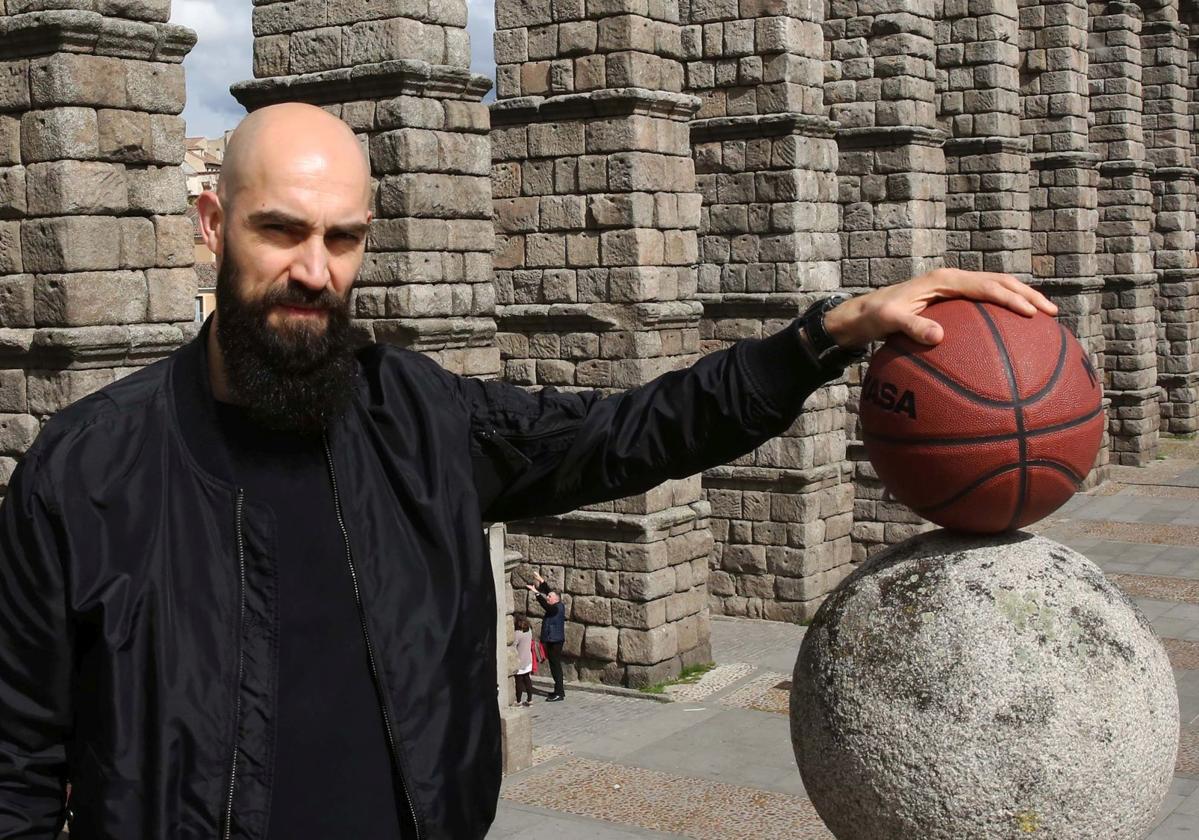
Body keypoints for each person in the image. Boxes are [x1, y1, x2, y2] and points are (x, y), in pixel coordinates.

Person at [0, 101, 1058, 840]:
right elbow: (18, 771)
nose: (313, 271)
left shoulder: (421, 417)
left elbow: (637, 431)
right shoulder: (84, 473)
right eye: (281, 231)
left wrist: (820, 336)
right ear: (210, 222)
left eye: (343, 239)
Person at [526, 572, 566, 701]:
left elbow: (545, 605)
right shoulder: (558, 604)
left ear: (555, 600)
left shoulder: (555, 609)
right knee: (554, 666)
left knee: (555, 667)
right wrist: (541, 581)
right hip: (553, 640)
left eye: (549, 597)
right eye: (548, 596)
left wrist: (536, 593)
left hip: (554, 641)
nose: (548, 597)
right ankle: (558, 690)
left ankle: (559, 693)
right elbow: (549, 592)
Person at [513, 616, 535, 707]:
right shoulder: (529, 630)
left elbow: (513, 645)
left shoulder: (517, 633)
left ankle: (518, 701)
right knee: (527, 679)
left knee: (519, 681)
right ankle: (530, 700)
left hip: (520, 660)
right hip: (528, 659)